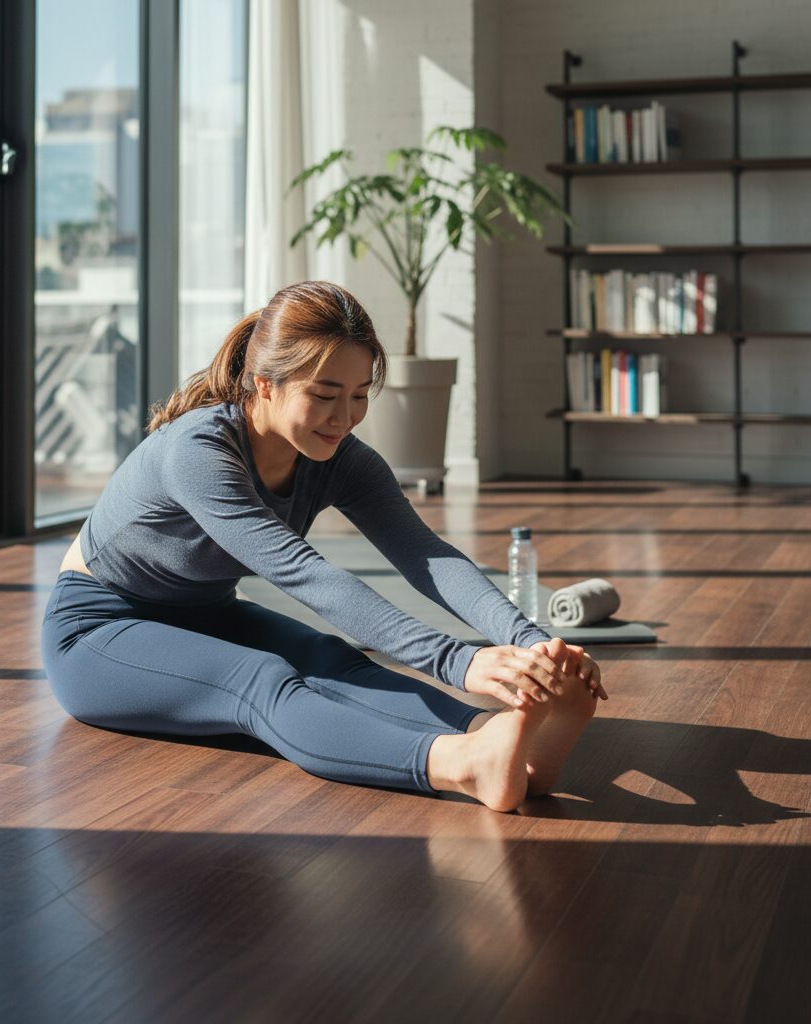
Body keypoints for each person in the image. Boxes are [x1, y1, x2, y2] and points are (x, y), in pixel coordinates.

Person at [40, 281, 607, 812]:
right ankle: (460, 764)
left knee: (331, 661)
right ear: (265, 383)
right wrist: (459, 661)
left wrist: (532, 646)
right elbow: (304, 573)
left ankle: (491, 735)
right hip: (98, 631)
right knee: (260, 681)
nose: (344, 417)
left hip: (205, 615)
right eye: (324, 395)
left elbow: (425, 554)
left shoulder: (341, 457)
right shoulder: (199, 450)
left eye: (360, 395)